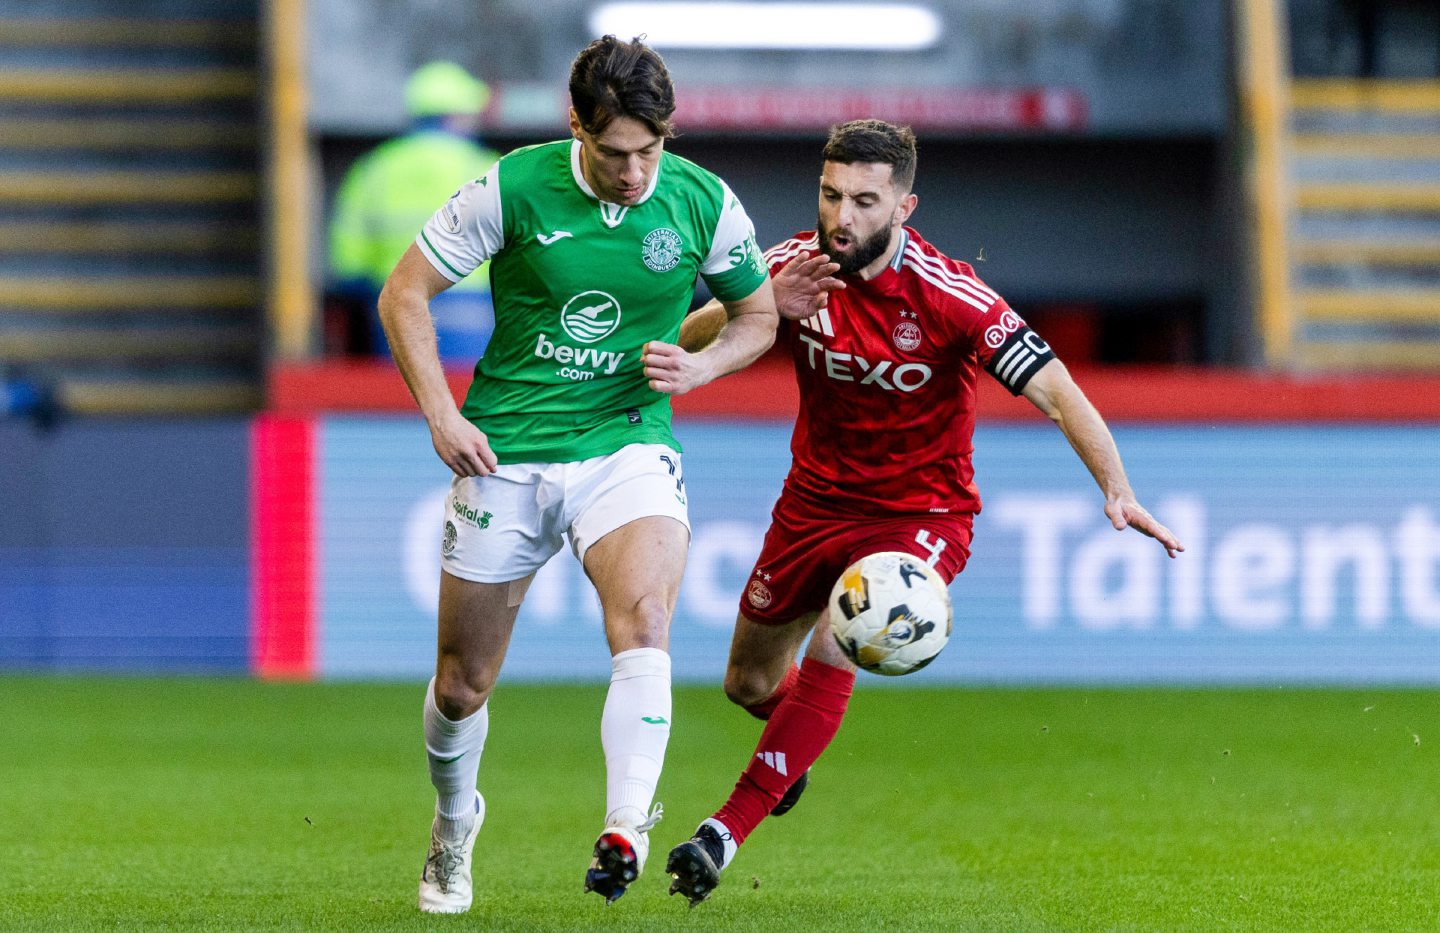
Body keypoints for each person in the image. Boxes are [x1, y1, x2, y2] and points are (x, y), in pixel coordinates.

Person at [664, 119, 1185, 906]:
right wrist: (765, 301)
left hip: (920, 513)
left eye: (866, 201)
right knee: (747, 681)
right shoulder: (792, 264)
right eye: (832, 195)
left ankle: (724, 830)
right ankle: (788, 749)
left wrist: (1117, 486)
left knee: (853, 630)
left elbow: (1056, 390)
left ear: (905, 206)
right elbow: (701, 331)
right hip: (813, 502)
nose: (844, 217)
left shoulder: (951, 296)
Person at [377, 35, 831, 914]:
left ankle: (626, 824)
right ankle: (453, 821)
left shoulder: (703, 202)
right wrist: (443, 414)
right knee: (462, 682)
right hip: (505, 448)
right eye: (615, 152)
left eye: (650, 151)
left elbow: (757, 316)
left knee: (646, 618)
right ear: (575, 125)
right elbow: (404, 294)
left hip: (627, 442)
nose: (634, 172)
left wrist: (701, 369)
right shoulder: (513, 186)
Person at [328, 60, 500, 361]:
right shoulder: (488, 167)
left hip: (396, 298)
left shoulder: (375, 168)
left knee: (402, 395)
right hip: (471, 303)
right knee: (466, 394)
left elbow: (349, 258)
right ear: (454, 115)